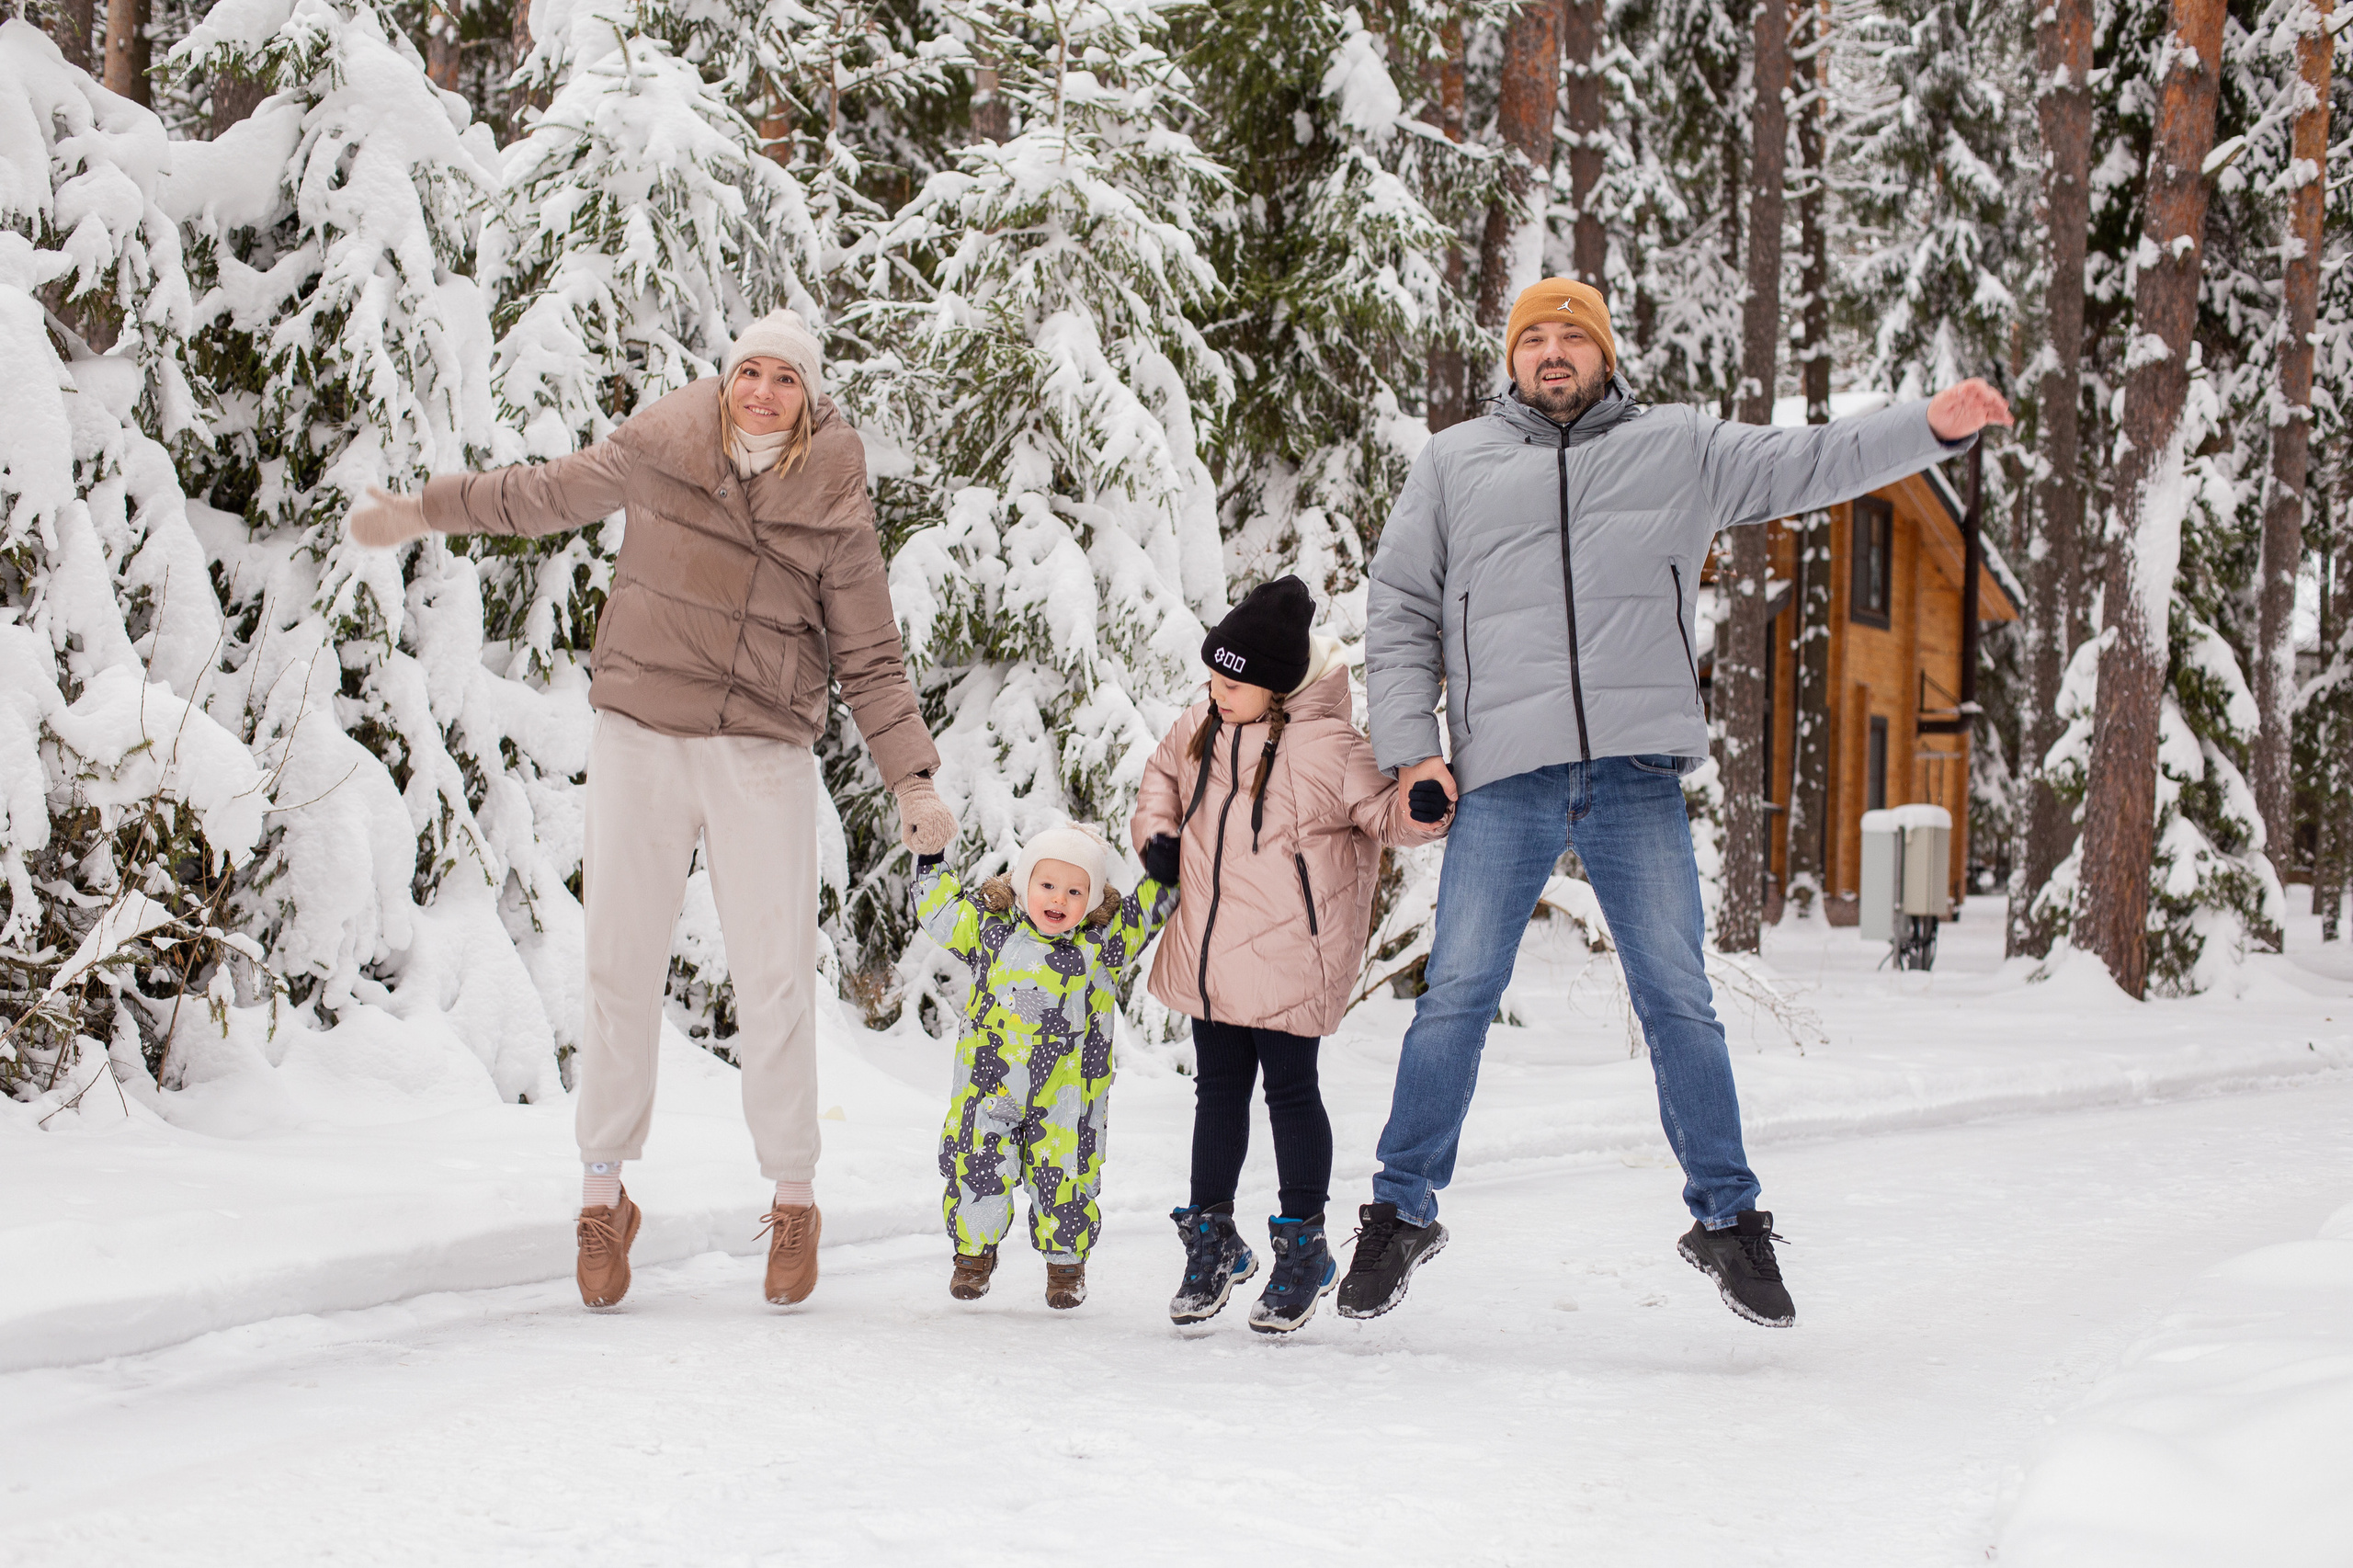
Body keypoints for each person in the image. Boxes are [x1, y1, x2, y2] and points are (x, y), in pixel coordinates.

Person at [1345, 278, 2014, 1326]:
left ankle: (1728, 1219)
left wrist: (1927, 427)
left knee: (1678, 998)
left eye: (1573, 337)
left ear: (1605, 355)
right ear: (1512, 358)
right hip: (1503, 774)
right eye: (1534, 338)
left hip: (1633, 774)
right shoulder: (1454, 462)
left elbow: (1812, 459)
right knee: (1456, 994)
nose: (1553, 352)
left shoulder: (1677, 446)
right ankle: (1399, 1211)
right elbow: (1399, 609)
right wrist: (1411, 752)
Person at [346, 311, 958, 1312]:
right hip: (641, 735)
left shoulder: (833, 500)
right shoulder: (659, 448)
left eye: (786, 379)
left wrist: (912, 779)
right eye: (750, 372)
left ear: (810, 397)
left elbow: (870, 655)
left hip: (762, 748)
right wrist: (425, 510)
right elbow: (541, 494)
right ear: (726, 378)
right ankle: (602, 1196)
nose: (763, 392)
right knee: (619, 962)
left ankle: (793, 1198)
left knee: (774, 975)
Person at [1129, 575, 1452, 1334]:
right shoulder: (1202, 725)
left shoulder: (1331, 748)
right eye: (1213, 678)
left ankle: (1304, 1246)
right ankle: (1211, 1236)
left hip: (1293, 958)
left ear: (1275, 686)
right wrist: (1158, 836)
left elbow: (1384, 815)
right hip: (1211, 952)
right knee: (1217, 1093)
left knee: (1290, 1094)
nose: (1215, 693)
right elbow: (1160, 779)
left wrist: (1423, 806)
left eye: (1231, 683)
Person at [912, 825, 1176, 1309]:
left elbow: (1141, 916)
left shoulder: (1101, 943)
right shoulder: (990, 930)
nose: (1059, 899)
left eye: (1075, 892)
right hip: (989, 1085)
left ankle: (1065, 1265)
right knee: (977, 1164)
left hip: (1066, 1099)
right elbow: (943, 912)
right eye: (1048, 885)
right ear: (1023, 884)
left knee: (1066, 1175)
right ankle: (972, 1253)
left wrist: (1161, 877)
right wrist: (931, 860)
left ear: (1091, 899)